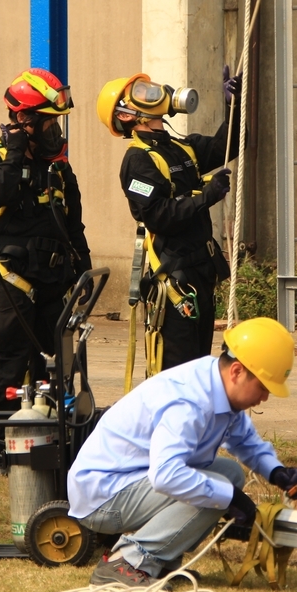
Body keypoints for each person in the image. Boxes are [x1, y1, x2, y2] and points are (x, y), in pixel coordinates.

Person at [67, 317, 297, 587]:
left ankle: (161, 563)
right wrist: (229, 497)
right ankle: (128, 562)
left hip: (127, 480)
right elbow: (166, 476)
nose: (264, 397)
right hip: (102, 496)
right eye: (263, 387)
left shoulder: (215, 381)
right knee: (217, 491)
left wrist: (275, 471)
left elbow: (244, 440)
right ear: (237, 371)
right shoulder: (189, 402)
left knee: (230, 474)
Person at [95, 69, 242, 373]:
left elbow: (228, 145)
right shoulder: (137, 161)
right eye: (141, 93)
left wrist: (234, 107)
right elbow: (158, 216)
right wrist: (207, 196)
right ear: (126, 115)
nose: (152, 92)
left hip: (201, 274)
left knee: (200, 368)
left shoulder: (180, 147)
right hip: (176, 281)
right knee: (178, 373)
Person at [0, 68, 91, 419]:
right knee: (8, 367)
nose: (56, 131)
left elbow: (73, 222)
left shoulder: (59, 168)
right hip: (13, 284)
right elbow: (0, 192)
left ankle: (52, 439)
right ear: (25, 120)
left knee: (57, 369)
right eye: (49, 122)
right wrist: (15, 151)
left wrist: (83, 268)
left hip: (54, 284)